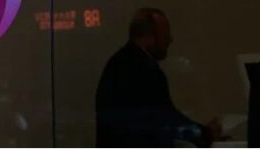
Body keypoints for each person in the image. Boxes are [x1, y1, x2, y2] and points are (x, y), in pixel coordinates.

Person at [95, 8, 222, 147]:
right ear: (149, 36)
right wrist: (204, 133)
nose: (170, 39)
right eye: (165, 34)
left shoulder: (120, 63)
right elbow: (165, 119)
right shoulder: (142, 69)